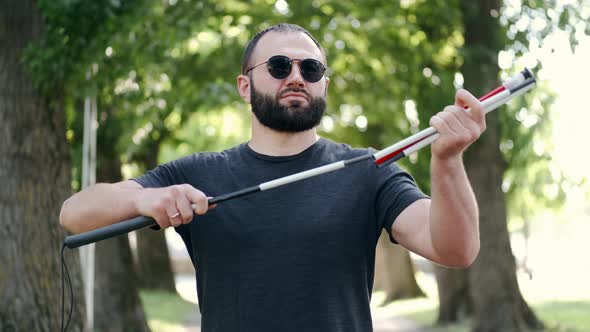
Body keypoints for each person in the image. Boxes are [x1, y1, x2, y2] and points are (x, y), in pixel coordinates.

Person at [60, 23, 485, 332]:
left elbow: (456, 249)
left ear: (324, 85)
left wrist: (447, 162)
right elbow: (74, 214)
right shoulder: (196, 174)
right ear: (245, 86)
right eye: (279, 66)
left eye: (311, 69)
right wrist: (141, 200)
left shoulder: (369, 170)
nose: (296, 76)